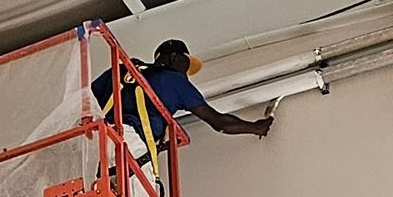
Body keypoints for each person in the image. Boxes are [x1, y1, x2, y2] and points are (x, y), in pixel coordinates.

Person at [92, 38, 274, 160]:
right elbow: (219, 122)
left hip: (96, 142)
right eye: (185, 64)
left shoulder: (124, 69)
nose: (186, 73)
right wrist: (256, 127)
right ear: (173, 57)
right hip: (131, 143)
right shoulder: (172, 79)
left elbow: (88, 99)